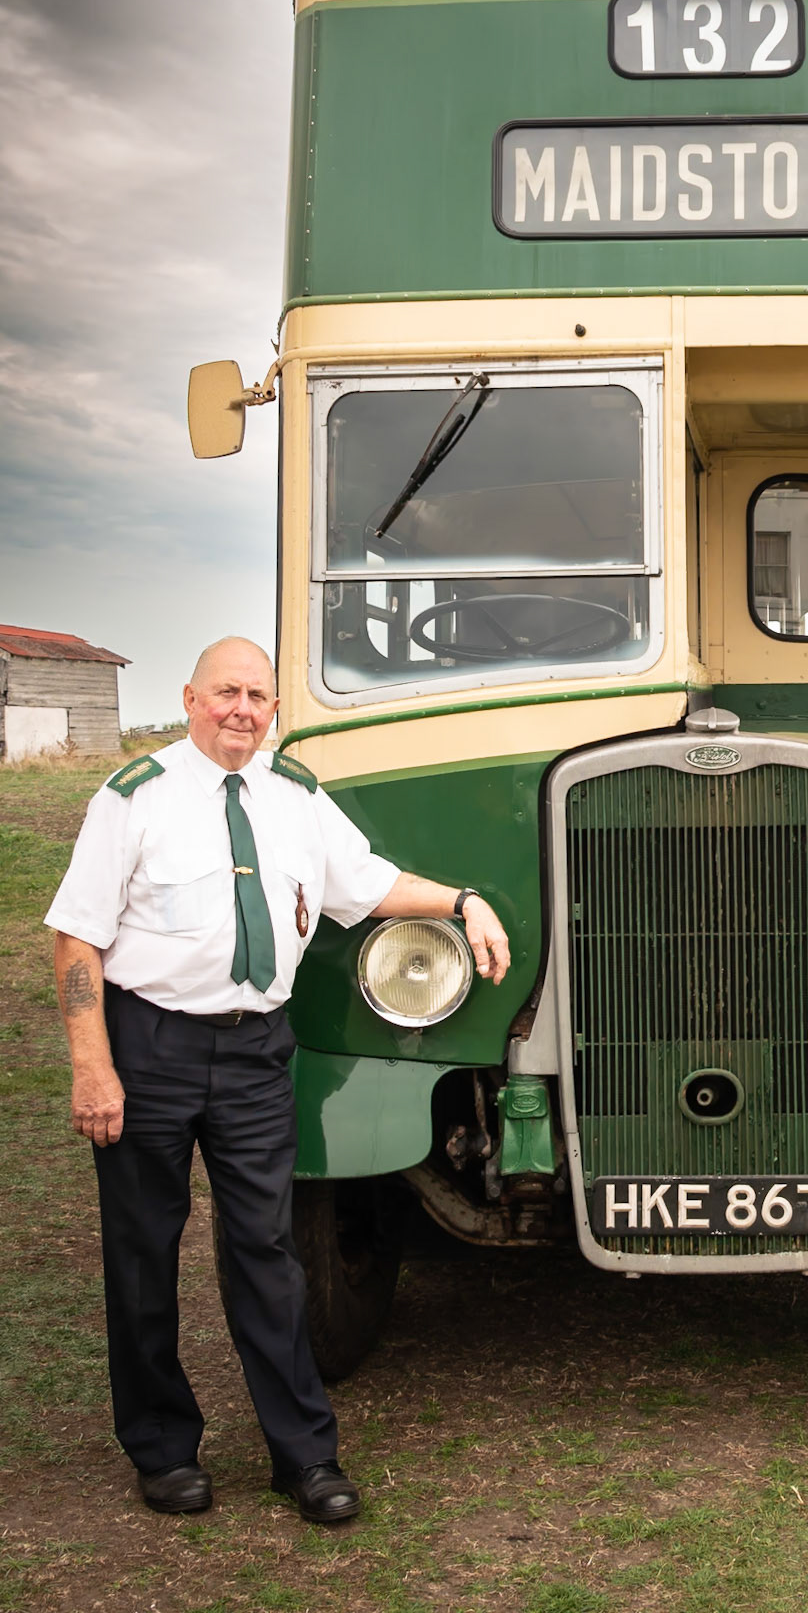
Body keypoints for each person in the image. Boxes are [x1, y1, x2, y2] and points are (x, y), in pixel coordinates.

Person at [46, 638, 511, 1522]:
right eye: (227, 691)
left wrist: (460, 902)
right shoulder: (134, 797)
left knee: (268, 1254)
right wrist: (93, 1066)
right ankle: (161, 1448)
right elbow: (77, 938)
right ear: (189, 697)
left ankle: (302, 1456)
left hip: (258, 1052)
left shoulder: (296, 797)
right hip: (149, 1047)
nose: (243, 709)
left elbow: (367, 886)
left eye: (259, 695)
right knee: (144, 1253)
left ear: (273, 711)